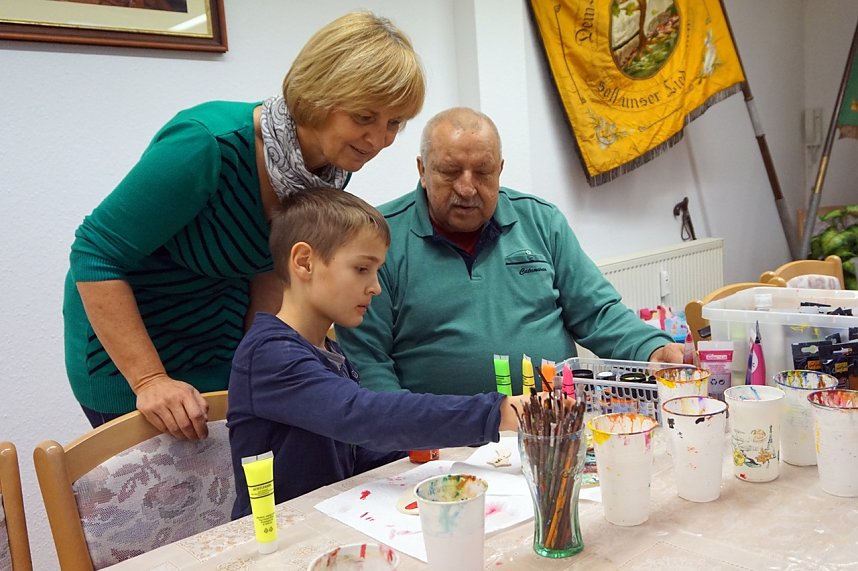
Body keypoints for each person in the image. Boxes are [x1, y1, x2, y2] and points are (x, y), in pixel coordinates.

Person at [63, 11, 425, 440]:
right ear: (319, 94)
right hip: (132, 355)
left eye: (393, 124)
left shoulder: (330, 165)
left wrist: (266, 362)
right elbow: (95, 253)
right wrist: (149, 381)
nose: (378, 140)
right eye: (365, 117)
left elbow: (270, 268)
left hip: (218, 338)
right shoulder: (206, 146)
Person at [335, 107, 683, 396]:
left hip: (552, 424)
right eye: (450, 171)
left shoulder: (540, 220)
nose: (467, 188)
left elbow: (597, 312)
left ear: (500, 170)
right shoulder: (376, 239)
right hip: (442, 444)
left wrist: (652, 348)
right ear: (423, 170)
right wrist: (410, 432)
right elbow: (368, 363)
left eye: (483, 172)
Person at [226, 188, 528, 519]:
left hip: (331, 518)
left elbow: (358, 451)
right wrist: (496, 411)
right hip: (275, 541)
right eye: (361, 269)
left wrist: (431, 443)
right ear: (304, 262)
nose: (376, 287)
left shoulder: (328, 351)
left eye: (377, 270)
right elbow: (361, 416)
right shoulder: (269, 355)